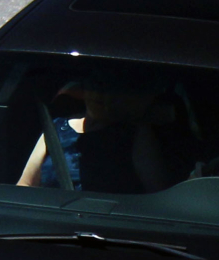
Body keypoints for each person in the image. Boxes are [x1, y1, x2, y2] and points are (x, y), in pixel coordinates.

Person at [16, 79, 190, 191]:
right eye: (92, 85)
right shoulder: (56, 129)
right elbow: (25, 185)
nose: (97, 93)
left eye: (106, 88)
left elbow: (156, 196)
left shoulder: (135, 134)